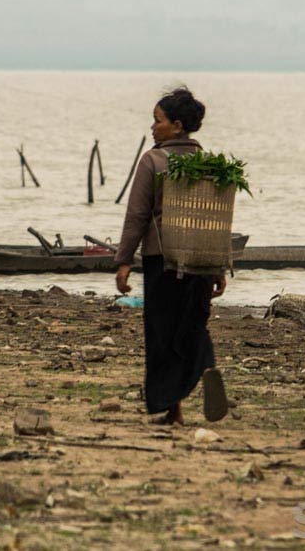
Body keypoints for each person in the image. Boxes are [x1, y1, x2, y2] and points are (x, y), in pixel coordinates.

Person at [115, 86, 228, 425]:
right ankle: (205, 366)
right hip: (201, 260)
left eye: (158, 121)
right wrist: (219, 266)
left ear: (177, 126)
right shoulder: (209, 163)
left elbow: (136, 215)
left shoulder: (153, 160)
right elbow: (217, 217)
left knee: (162, 332)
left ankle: (173, 408)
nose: (152, 128)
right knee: (193, 325)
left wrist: (123, 262)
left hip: (161, 260)